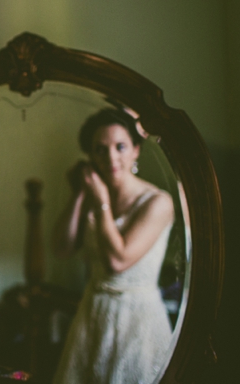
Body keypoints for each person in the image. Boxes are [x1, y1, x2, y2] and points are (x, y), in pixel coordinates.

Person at [52, 108, 174, 384]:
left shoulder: (158, 202)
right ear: (91, 157)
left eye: (120, 146)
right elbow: (62, 248)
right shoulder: (94, 195)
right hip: (92, 315)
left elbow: (117, 262)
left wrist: (101, 203)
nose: (110, 157)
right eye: (100, 149)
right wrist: (79, 194)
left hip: (137, 322)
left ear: (136, 150)